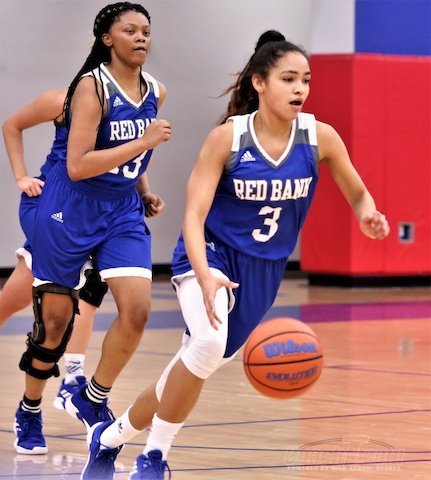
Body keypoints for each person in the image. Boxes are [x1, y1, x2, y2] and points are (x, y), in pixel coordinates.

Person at [81, 30, 390, 479]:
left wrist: (368, 215)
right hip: (210, 256)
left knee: (189, 368)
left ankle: (108, 438)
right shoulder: (227, 139)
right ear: (260, 83)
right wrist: (204, 274)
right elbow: (193, 216)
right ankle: (154, 458)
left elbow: (358, 193)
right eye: (288, 79)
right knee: (207, 345)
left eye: (306, 79)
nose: (300, 88)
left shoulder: (319, 137)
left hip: (263, 272)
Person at [11, 1, 170, 456]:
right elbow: (78, 166)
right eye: (130, 30)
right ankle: (29, 408)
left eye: (145, 30)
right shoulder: (89, 88)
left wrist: (142, 189)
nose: (141, 37)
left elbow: (134, 153)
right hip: (69, 206)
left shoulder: (156, 90)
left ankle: (90, 394)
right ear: (107, 39)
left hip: (120, 210)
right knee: (54, 323)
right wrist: (143, 141)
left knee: (137, 311)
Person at [2, 87, 165, 417]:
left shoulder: (139, 96)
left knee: (90, 289)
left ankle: (73, 379)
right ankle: (44, 398)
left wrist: (144, 191)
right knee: (22, 303)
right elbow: (12, 125)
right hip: (62, 206)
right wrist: (20, 176)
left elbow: (126, 154)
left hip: (108, 211)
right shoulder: (64, 99)